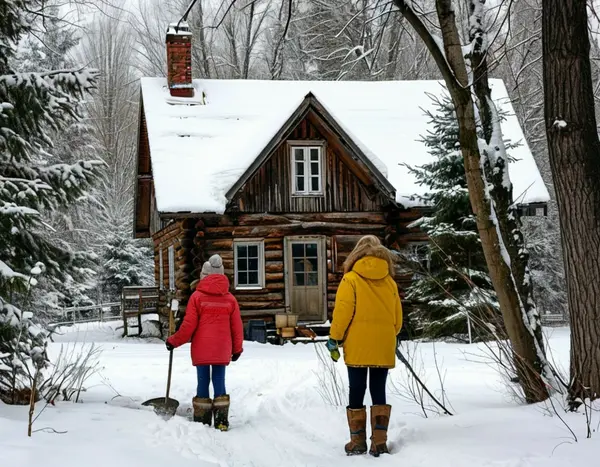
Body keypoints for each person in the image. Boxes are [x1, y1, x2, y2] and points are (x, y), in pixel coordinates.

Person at [327, 235, 402, 457]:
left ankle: (357, 442)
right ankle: (379, 443)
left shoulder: (351, 279)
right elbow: (397, 320)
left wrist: (335, 337)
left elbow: (342, 312)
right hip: (383, 344)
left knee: (357, 389)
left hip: (357, 343)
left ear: (357, 254)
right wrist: (388, 335)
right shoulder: (390, 281)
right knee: (378, 390)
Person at [166, 254, 243, 431]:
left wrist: (173, 341)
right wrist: (237, 348)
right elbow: (237, 327)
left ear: (203, 276)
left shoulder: (197, 297)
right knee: (219, 379)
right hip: (222, 348)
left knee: (202, 380)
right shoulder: (230, 299)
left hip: (202, 347)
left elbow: (188, 326)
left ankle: (202, 418)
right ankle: (222, 420)